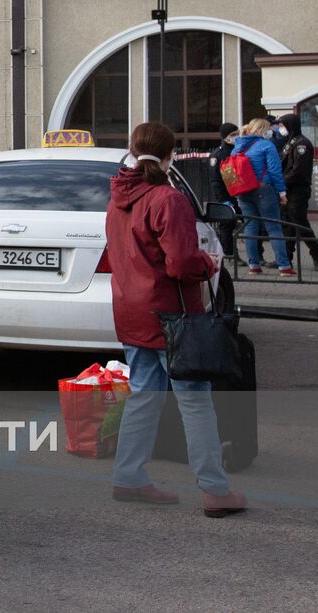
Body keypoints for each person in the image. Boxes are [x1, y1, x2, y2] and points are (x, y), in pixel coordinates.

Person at [106, 121, 246, 517]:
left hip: (131, 310)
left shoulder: (117, 198)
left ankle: (128, 476)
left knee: (144, 397)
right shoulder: (168, 199)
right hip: (172, 314)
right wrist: (209, 262)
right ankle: (215, 490)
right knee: (196, 402)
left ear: (133, 151)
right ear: (172, 156)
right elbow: (182, 262)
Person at [231, 118, 292, 276]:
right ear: (262, 130)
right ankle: (284, 266)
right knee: (274, 228)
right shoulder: (266, 145)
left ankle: (253, 265)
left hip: (243, 192)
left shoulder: (237, 147)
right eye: (268, 129)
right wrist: (282, 192)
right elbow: (274, 171)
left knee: (251, 227)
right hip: (263, 190)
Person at [278, 113, 318, 271]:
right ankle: (287, 259)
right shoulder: (290, 142)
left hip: (298, 190)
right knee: (287, 225)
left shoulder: (301, 144)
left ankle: (317, 256)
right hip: (287, 189)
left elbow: (298, 171)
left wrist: (281, 181)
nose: (280, 129)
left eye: (282, 125)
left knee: (300, 223)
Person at [207, 123, 240, 259]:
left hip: (238, 194)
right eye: (233, 135)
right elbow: (215, 181)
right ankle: (228, 254)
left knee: (237, 225)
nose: (236, 137)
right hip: (226, 196)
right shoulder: (218, 155)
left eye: (237, 134)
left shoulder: (237, 151)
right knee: (226, 226)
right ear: (225, 137)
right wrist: (223, 200)